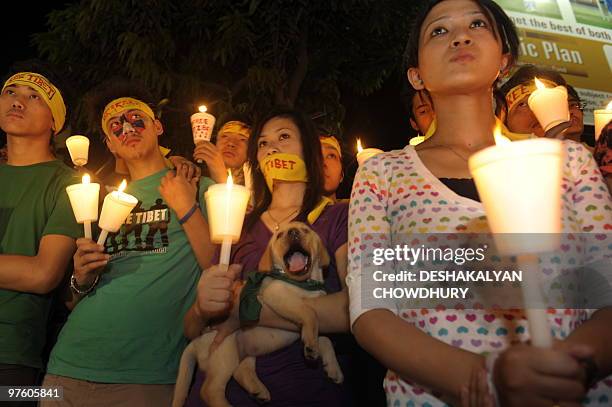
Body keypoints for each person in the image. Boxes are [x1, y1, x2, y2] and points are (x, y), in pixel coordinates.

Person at [347, 1, 612, 407]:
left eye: (477, 24)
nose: (460, 35)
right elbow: (372, 311)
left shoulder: (567, 162)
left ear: (503, 59)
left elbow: (607, 292)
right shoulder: (383, 174)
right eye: (439, 30)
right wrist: (485, 378)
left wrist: (563, 371)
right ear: (417, 75)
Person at [40, 79, 217, 407]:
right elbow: (75, 301)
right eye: (115, 126)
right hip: (65, 368)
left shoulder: (197, 186)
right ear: (110, 144)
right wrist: (81, 279)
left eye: (137, 119)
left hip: (146, 376)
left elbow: (220, 270)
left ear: (157, 126)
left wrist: (187, 207)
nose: (127, 128)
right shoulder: (101, 199)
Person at [183, 108, 355, 406]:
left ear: (309, 150)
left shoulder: (339, 216)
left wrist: (246, 308)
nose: (271, 147)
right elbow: (192, 329)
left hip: (305, 392)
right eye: (262, 143)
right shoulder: (238, 222)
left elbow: (356, 309)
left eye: (284, 137)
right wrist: (201, 308)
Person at [0, 61, 80, 392]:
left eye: (34, 96)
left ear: (55, 121)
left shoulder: (70, 185)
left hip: (11, 355)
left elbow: (43, 274)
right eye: (10, 92)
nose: (17, 101)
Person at [194, 119, 251, 184]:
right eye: (225, 136)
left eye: (242, 139)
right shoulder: (195, 177)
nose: (231, 143)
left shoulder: (255, 185)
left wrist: (220, 176)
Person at [320, 134, 345, 202]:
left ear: (341, 175)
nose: (323, 162)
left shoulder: (355, 209)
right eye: (316, 156)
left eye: (331, 156)